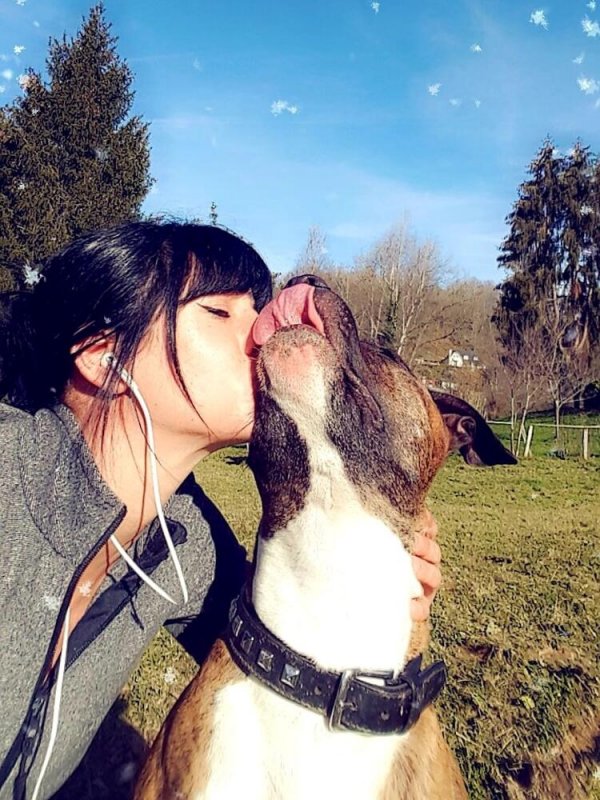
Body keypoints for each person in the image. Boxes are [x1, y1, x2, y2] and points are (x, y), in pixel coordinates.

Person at [0, 221, 442, 800]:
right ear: (103, 355)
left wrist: (384, 574)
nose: (259, 331)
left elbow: (282, 642)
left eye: (255, 309)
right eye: (218, 312)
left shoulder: (188, 544)